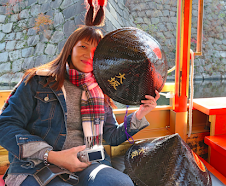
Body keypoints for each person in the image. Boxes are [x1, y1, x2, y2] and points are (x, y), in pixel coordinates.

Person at [0, 0, 160, 185]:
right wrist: (53, 156)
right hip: (38, 164)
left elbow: (111, 136)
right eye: (83, 46)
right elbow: (5, 126)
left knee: (121, 183)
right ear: (70, 50)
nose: (89, 54)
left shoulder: (99, 90)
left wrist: (141, 114)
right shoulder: (38, 81)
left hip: (90, 161)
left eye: (96, 51)